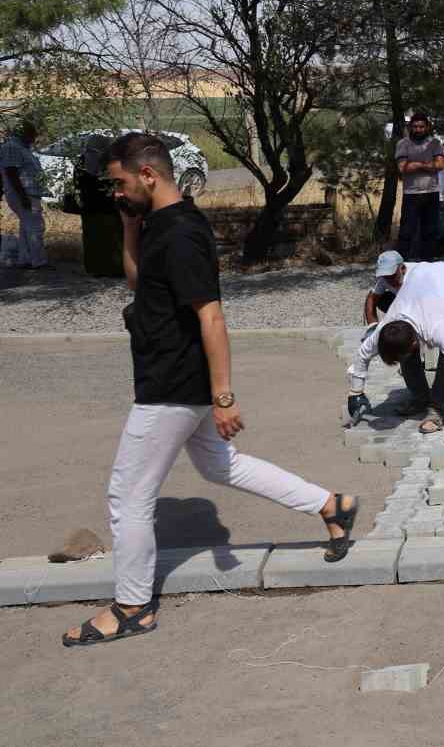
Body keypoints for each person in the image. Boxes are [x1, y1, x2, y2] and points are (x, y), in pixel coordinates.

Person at [62, 133, 356, 648]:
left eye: (120, 182)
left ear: (148, 175)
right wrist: (130, 227)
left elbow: (212, 316)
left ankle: (132, 606)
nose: (115, 191)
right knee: (221, 466)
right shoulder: (156, 224)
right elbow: (138, 284)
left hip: (173, 383)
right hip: (171, 376)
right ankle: (331, 505)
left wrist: (224, 396)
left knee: (128, 498)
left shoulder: (182, 235)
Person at [348, 252, 444, 434]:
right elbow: (363, 354)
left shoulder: (437, 328)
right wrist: (356, 393)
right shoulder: (386, 327)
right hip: (423, 286)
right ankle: (420, 398)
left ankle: (437, 409)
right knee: (404, 354)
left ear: (414, 343)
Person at [394, 112, 444, 261]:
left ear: (427, 127)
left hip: (431, 192)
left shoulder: (435, 143)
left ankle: (427, 263)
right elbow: (403, 167)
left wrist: (416, 164)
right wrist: (428, 165)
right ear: (411, 127)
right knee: (406, 231)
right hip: (411, 193)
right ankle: (401, 263)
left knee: (430, 230)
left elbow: (441, 164)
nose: (418, 129)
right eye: (415, 126)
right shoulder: (403, 144)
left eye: (421, 126)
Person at [71, 134, 123, 277]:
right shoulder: (106, 161)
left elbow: (77, 184)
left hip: (89, 207)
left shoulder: (81, 161)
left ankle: (96, 269)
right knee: (112, 237)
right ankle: (115, 269)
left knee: (93, 238)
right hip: (107, 207)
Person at [0, 120, 47, 269]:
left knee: (27, 227)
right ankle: (38, 262)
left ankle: (26, 260)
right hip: (24, 193)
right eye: (32, 134)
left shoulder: (21, 148)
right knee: (35, 227)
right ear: (23, 133)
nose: (34, 138)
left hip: (28, 193)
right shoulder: (12, 147)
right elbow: (11, 172)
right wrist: (23, 196)